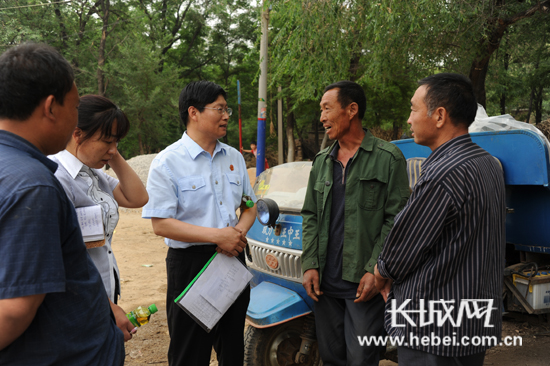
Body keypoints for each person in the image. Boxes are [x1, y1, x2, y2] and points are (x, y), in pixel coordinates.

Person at [0, 43, 124, 364]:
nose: (75, 121)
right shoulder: (34, 184)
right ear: (51, 106)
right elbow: (14, 311)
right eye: (75, 105)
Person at [374, 73, 505, 365]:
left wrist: (380, 273)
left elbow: (403, 249)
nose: (409, 119)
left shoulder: (443, 173)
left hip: (435, 326)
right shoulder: (488, 164)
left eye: (413, 108)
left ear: (440, 115)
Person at [142, 80, 257, 366]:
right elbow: (161, 224)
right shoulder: (167, 162)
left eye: (226, 109)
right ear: (193, 112)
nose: (226, 115)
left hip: (231, 259)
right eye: (219, 109)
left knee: (232, 348)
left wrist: (235, 236)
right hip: (190, 265)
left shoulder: (233, 157)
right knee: (190, 353)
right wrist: (219, 236)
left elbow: (250, 206)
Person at [301, 80, 410, 365]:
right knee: (331, 356)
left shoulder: (389, 158)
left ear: (352, 109)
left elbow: (396, 220)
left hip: (363, 283)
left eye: (327, 109)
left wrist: (375, 269)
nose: (322, 117)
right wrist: (310, 263)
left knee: (362, 357)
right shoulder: (322, 161)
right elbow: (310, 215)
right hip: (325, 283)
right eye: (320, 110)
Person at [49, 94, 149, 341]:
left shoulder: (93, 174)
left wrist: (110, 152)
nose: (114, 149)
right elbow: (63, 256)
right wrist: (106, 306)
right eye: (107, 140)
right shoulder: (57, 178)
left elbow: (138, 198)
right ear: (77, 134)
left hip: (104, 291)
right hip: (80, 298)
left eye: (117, 141)